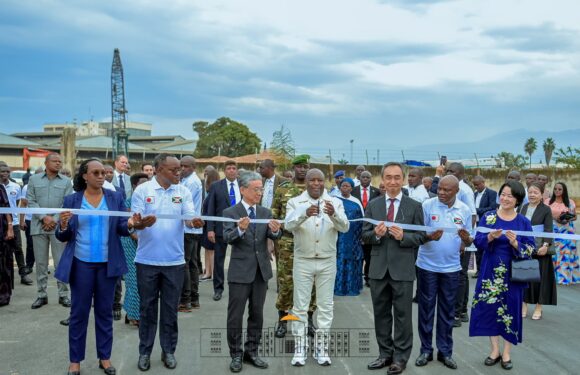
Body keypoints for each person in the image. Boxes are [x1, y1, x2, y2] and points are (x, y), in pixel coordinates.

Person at [55, 158, 143, 375]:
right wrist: (63, 224)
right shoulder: (72, 200)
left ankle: (105, 358)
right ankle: (75, 361)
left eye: (103, 172)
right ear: (85, 176)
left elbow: (122, 227)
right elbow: (62, 234)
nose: (101, 176)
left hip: (107, 265)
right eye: (96, 173)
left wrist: (131, 224)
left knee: (104, 313)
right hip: (81, 264)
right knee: (79, 314)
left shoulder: (115, 197)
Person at [131, 153, 200, 371]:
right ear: (160, 169)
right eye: (174, 169)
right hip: (147, 261)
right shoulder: (143, 191)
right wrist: (142, 224)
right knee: (147, 309)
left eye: (180, 169)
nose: (179, 173)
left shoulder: (183, 191)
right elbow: (134, 223)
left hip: (174, 262)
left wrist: (195, 221)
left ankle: (168, 351)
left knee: (170, 310)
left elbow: (189, 216)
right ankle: (145, 352)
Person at [362, 162, 425, 375]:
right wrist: (377, 234)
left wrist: (403, 237)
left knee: (402, 316)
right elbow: (364, 235)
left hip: (403, 269)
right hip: (378, 269)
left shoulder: (414, 206)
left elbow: (421, 236)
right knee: (381, 314)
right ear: (382, 180)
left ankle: (400, 358)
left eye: (397, 177)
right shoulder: (373, 205)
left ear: (404, 179)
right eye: (388, 177)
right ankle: (384, 354)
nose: (392, 182)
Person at [286, 169, 349, 366]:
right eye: (312, 180)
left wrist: (334, 215)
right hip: (303, 260)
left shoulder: (336, 202)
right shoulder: (295, 202)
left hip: (327, 260)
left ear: (324, 182)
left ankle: (321, 348)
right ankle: (300, 349)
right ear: (305, 182)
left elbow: (345, 227)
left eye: (319, 180)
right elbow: (288, 225)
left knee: (325, 306)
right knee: (300, 306)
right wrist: (303, 215)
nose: (316, 184)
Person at [470, 180, 535, 370]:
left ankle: (507, 353)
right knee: (490, 310)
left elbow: (530, 247)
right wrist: (490, 237)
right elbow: (478, 241)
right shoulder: (489, 217)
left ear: (517, 200)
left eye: (510, 196)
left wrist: (516, 244)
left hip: (513, 273)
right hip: (491, 271)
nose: (505, 198)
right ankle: (494, 350)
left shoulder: (523, 222)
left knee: (511, 311)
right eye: (503, 194)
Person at [222, 171, 282, 373]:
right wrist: (239, 229)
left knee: (257, 314)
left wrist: (275, 231)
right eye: (256, 189)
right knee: (235, 316)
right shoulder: (231, 212)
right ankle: (236, 354)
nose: (260, 192)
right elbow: (228, 237)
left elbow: (276, 235)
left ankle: (252, 351)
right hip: (240, 271)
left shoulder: (265, 212)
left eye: (262, 189)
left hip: (261, 271)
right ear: (243, 190)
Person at [415, 176, 472, 370]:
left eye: (446, 190)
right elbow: (418, 235)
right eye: (439, 189)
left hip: (451, 269)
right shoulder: (427, 206)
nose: (441, 192)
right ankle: (425, 350)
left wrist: (466, 240)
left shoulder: (464, 210)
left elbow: (469, 240)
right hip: (427, 266)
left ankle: (445, 352)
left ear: (456, 191)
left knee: (447, 312)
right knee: (426, 310)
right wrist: (429, 236)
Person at [270, 155, 317, 339]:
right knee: (286, 283)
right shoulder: (283, 190)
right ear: (293, 168)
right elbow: (274, 216)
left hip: (310, 243)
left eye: (305, 166)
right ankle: (283, 321)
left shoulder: (316, 190)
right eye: (299, 166)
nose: (302, 170)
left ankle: (309, 321)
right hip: (288, 244)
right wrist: (274, 236)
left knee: (310, 284)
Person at [27, 153, 73, 309]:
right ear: (46, 163)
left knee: (60, 262)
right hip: (38, 226)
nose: (58, 164)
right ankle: (41, 295)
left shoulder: (67, 182)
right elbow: (31, 201)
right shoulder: (34, 180)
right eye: (55, 161)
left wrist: (53, 219)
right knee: (41, 263)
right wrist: (43, 217)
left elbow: (66, 203)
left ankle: (63, 295)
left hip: (58, 227)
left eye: (60, 161)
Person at [444, 163, 476, 328]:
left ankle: (457, 312)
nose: (448, 173)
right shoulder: (448, 188)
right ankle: (462, 310)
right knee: (460, 276)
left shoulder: (463, 190)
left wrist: (464, 241)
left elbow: (472, 215)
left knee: (460, 276)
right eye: (447, 170)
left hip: (462, 242)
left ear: (462, 175)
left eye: (453, 171)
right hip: (452, 240)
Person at [519, 183, 557, 320]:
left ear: (542, 194)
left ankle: (538, 307)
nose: (532, 195)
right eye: (530, 192)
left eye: (535, 192)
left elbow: (548, 229)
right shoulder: (523, 207)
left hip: (540, 248)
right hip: (525, 247)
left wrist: (546, 245)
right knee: (523, 277)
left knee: (540, 279)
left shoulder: (546, 209)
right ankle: (524, 305)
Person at [206, 160, 241, 301]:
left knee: (239, 259)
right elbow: (210, 209)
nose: (231, 171)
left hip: (240, 227)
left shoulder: (243, 185)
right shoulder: (216, 186)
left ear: (237, 171)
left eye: (234, 168)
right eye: (229, 168)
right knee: (219, 260)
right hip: (221, 229)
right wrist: (210, 229)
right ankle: (218, 289)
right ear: (224, 171)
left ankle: (239, 287)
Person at [122, 173, 150, 327]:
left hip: (146, 244)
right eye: (143, 183)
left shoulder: (149, 201)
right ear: (134, 186)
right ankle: (134, 315)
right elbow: (130, 228)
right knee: (133, 279)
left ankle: (130, 311)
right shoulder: (128, 203)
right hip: (131, 242)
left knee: (143, 281)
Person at [0, 165, 33, 285]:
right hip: (0, 224)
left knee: (18, 248)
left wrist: (19, 220)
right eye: (2, 171)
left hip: (13, 222)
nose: (5, 173)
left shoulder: (16, 187)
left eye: (7, 171)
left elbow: (18, 203)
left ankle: (23, 274)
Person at [179, 156, 203, 312]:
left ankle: (185, 300)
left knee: (185, 264)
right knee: (192, 263)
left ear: (193, 167)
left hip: (189, 227)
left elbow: (182, 202)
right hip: (191, 227)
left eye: (185, 166)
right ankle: (194, 298)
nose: (182, 169)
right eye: (181, 166)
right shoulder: (187, 181)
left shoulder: (191, 182)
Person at [334, 178, 364, 296]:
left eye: (347, 186)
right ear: (339, 187)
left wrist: (361, 236)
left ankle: (352, 287)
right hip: (339, 236)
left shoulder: (356, 202)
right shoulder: (334, 200)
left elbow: (362, 219)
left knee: (352, 259)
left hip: (353, 237)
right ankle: (339, 287)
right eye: (343, 186)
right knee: (339, 259)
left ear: (352, 188)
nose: (345, 188)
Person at [351, 171, 380, 287]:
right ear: (360, 178)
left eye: (368, 177)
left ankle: (368, 277)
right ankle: (355, 278)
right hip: (356, 227)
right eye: (363, 177)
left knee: (368, 255)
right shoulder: (353, 191)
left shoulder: (376, 191)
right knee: (357, 254)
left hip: (370, 228)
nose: (365, 179)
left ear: (370, 179)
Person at [548, 182, 579, 285]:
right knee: (554, 254)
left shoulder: (570, 202)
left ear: (564, 190)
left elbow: (575, 216)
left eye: (559, 189)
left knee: (565, 254)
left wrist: (567, 219)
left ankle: (564, 278)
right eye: (555, 189)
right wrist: (556, 218)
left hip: (567, 230)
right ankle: (553, 278)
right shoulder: (548, 202)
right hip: (554, 230)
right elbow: (545, 215)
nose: (557, 191)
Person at [472, 175, 498, 278]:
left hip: (486, 225)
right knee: (477, 248)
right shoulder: (473, 194)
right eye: (474, 185)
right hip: (475, 224)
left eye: (477, 184)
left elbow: (492, 208)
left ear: (483, 182)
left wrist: (476, 210)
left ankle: (486, 270)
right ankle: (478, 270)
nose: (476, 187)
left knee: (486, 247)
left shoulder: (492, 193)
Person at [200, 168, 220, 281]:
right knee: (207, 249)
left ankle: (212, 273)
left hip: (211, 225)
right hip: (206, 223)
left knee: (211, 250)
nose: (205, 176)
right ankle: (207, 271)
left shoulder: (214, 192)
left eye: (206, 175)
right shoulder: (208, 192)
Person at [0, 182, 15, 306]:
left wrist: (10, 227)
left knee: (3, 264)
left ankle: (3, 296)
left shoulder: (0, 187)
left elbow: (6, 207)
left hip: (1, 229)